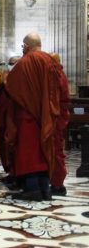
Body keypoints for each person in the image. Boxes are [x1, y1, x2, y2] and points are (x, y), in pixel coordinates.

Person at [5, 33, 64, 201]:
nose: (22, 48)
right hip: (46, 114)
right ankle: (45, 190)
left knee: (29, 152)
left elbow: (13, 87)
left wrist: (5, 81)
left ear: (27, 45)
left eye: (23, 45)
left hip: (28, 114)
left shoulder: (25, 61)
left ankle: (32, 190)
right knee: (43, 151)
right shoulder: (50, 60)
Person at [49, 53, 70, 196]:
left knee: (56, 151)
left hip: (56, 117)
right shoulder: (57, 74)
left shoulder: (57, 75)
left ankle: (58, 184)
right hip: (55, 116)